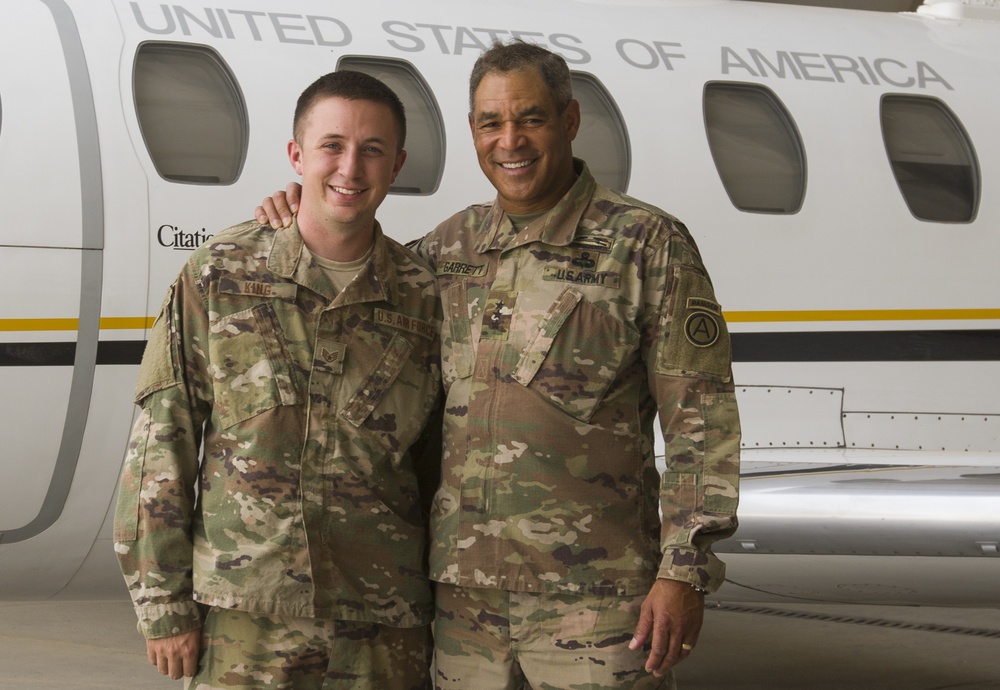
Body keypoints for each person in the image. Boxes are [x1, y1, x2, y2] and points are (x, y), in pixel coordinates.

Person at [257, 41, 740, 690]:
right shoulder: (448, 248)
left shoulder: (646, 245)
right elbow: (351, 286)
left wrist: (683, 572)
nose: (509, 140)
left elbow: (701, 421)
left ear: (567, 122)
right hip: (464, 606)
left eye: (530, 119)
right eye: (491, 123)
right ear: (474, 133)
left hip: (596, 599)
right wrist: (295, 217)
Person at [114, 71, 442, 690]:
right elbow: (162, 441)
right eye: (332, 145)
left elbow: (436, 463)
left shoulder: (424, 299)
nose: (351, 166)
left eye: (373, 149)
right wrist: (162, 604)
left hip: (382, 625)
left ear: (396, 164)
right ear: (297, 155)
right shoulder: (221, 273)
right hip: (246, 617)